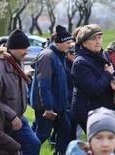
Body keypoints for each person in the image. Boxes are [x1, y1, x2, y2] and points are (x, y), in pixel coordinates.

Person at [0, 29, 41, 155]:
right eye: (23, 48)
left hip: (18, 118)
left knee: (33, 143)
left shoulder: (17, 60)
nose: (26, 52)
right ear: (13, 48)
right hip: (1, 122)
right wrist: (11, 116)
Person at [30, 25, 74, 154]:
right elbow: (44, 84)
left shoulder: (59, 55)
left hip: (59, 107)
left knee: (65, 130)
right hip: (47, 107)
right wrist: (48, 107)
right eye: (67, 43)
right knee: (42, 135)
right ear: (59, 42)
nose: (70, 46)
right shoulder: (48, 56)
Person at [71, 24, 115, 136]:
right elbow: (94, 89)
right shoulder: (81, 62)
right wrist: (107, 74)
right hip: (88, 111)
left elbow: (113, 72)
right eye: (93, 39)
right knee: (100, 144)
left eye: (99, 38)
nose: (98, 42)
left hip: (101, 109)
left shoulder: (101, 54)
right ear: (83, 43)